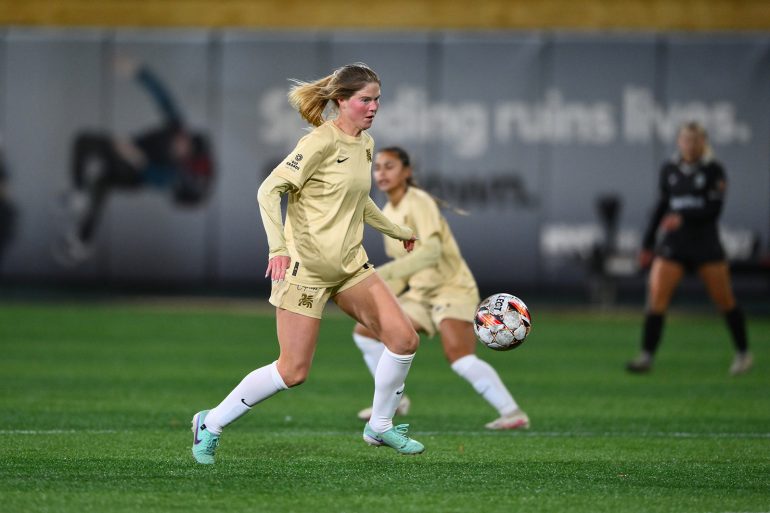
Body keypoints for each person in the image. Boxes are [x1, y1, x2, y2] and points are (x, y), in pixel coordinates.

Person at [191, 63, 425, 464]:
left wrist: (393, 228)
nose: (373, 107)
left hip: (351, 266)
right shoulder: (320, 143)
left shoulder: (366, 143)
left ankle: (380, 426)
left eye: (377, 100)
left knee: (404, 340)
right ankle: (210, 423)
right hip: (307, 270)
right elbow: (269, 190)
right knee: (292, 372)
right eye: (365, 100)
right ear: (341, 101)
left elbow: (356, 198)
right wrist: (277, 248)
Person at [353, 147, 530, 430]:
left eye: (390, 166)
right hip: (421, 295)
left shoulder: (418, 201)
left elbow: (431, 252)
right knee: (366, 333)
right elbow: (404, 267)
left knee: (458, 356)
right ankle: (394, 401)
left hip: (452, 289)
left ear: (407, 172)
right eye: (378, 167)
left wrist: (381, 274)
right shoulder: (387, 210)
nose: (381, 173)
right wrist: (378, 290)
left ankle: (512, 413)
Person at [56, 56, 213, 264]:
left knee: (102, 175)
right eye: (183, 139)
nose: (180, 143)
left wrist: (133, 155)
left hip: (134, 174)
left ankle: (81, 224)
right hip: (126, 153)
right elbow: (161, 94)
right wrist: (137, 71)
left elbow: (157, 178)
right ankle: (82, 230)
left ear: (189, 154)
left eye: (185, 146)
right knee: (89, 154)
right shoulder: (177, 126)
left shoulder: (176, 170)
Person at [626, 121, 752, 375]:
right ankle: (646, 356)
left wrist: (684, 217)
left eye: (695, 140)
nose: (690, 145)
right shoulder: (670, 169)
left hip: (705, 244)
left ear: (703, 143)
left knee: (725, 300)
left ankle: (743, 353)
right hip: (675, 243)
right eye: (686, 140)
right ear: (679, 142)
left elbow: (713, 210)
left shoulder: (714, 170)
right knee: (656, 299)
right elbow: (662, 206)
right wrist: (648, 243)